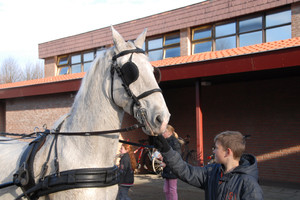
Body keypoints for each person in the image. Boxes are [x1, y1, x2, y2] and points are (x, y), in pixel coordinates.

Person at [154, 130, 263, 200]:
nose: (213, 151)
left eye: (216, 148)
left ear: (228, 152)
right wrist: (167, 150)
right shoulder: (211, 172)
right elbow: (186, 171)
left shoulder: (248, 183)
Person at [159, 125, 182, 200]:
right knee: (166, 190)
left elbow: (176, 157)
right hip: (167, 169)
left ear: (169, 132)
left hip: (172, 169)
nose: (162, 134)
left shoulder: (175, 143)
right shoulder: (166, 142)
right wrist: (161, 156)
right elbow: (166, 154)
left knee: (172, 190)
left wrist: (166, 163)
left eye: (164, 132)